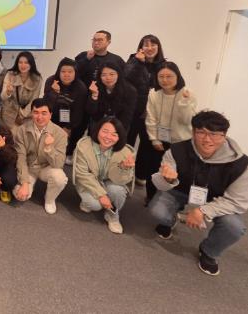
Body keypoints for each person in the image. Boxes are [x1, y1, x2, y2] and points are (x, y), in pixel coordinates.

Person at [149, 111, 247, 276]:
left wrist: (202, 211)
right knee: (157, 211)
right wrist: (168, 179)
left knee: (234, 227)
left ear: (224, 136)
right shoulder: (176, 150)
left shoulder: (241, 164)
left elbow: (237, 202)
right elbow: (160, 185)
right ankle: (171, 220)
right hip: (180, 191)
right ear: (193, 132)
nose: (207, 139)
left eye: (214, 134)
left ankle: (209, 251)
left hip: (217, 200)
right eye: (201, 132)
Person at [144, 62, 197, 203]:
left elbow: (187, 121)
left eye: (169, 76)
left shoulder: (187, 93)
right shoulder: (154, 93)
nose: (165, 80)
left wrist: (184, 103)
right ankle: (150, 197)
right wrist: (154, 139)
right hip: (159, 140)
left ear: (177, 76)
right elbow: (150, 118)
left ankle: (173, 203)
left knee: (176, 174)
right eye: (161, 76)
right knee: (154, 169)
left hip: (181, 142)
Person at [73, 117, 136, 234]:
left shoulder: (126, 152)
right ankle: (90, 201)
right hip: (90, 181)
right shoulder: (84, 145)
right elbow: (82, 174)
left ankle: (112, 216)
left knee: (117, 191)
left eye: (114, 134)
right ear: (97, 130)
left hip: (111, 181)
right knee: (94, 204)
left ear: (119, 137)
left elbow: (121, 181)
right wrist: (101, 195)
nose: (108, 137)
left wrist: (123, 168)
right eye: (105, 131)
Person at [13, 98, 68, 214]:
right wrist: (24, 183)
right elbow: (21, 158)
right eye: (36, 112)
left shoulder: (61, 134)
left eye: (44, 113)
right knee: (20, 195)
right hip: (29, 168)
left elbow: (58, 164)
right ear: (31, 113)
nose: (39, 117)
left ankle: (49, 200)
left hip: (46, 168)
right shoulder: (22, 130)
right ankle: (27, 184)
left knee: (60, 178)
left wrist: (49, 148)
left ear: (50, 115)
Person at [125, 34, 166, 186]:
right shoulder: (134, 59)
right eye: (146, 45)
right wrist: (138, 62)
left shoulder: (164, 64)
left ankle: (140, 174)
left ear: (158, 47)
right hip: (133, 108)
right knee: (128, 139)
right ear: (141, 47)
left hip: (153, 111)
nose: (149, 48)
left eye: (153, 44)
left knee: (147, 144)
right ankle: (124, 170)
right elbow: (126, 77)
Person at [43, 57, 87, 165]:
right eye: (63, 71)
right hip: (54, 117)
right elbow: (46, 106)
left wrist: (68, 128)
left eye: (70, 72)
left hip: (73, 120)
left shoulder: (81, 87)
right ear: (59, 72)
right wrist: (54, 93)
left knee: (81, 125)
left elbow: (79, 111)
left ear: (75, 73)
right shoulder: (51, 81)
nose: (66, 74)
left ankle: (69, 152)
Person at [85, 62, 137, 133]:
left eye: (112, 74)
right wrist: (94, 95)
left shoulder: (130, 90)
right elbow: (91, 111)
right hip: (98, 122)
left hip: (120, 123)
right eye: (104, 75)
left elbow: (127, 116)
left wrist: (116, 131)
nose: (108, 78)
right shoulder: (95, 87)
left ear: (118, 74)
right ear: (99, 76)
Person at [0, 51, 42, 131]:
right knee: (12, 135)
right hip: (9, 113)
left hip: (27, 115)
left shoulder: (37, 79)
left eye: (26, 63)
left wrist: (22, 115)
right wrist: (8, 92)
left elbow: (34, 100)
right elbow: (3, 97)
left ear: (31, 64)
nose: (23, 65)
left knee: (26, 135)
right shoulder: (10, 75)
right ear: (17, 63)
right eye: (20, 62)